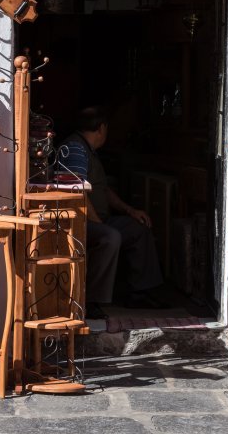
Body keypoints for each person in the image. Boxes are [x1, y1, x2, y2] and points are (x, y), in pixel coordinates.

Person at [62, 107, 165, 319]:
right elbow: (77, 192)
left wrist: (131, 210)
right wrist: (99, 222)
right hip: (81, 222)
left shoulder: (90, 151)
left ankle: (139, 292)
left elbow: (103, 190)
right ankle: (90, 301)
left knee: (138, 227)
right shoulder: (75, 148)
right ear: (102, 128)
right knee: (110, 237)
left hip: (101, 219)